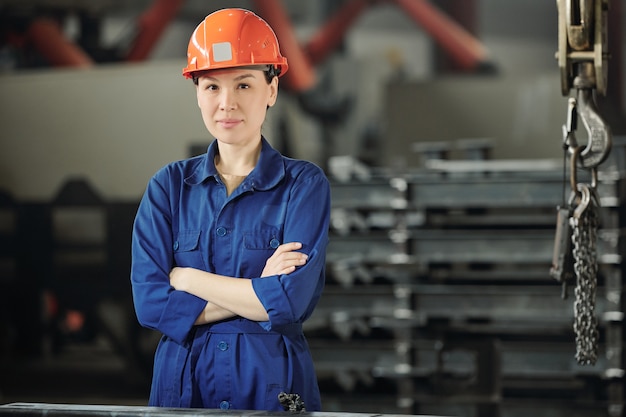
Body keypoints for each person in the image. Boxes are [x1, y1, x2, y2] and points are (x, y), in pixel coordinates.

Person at [130, 8, 330, 412]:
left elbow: (290, 302)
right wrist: (259, 290)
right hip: (183, 388)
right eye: (211, 87)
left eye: (243, 85)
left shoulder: (303, 187)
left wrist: (186, 277)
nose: (227, 104)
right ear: (197, 93)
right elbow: (150, 304)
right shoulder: (167, 188)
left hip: (272, 387)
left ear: (272, 90)